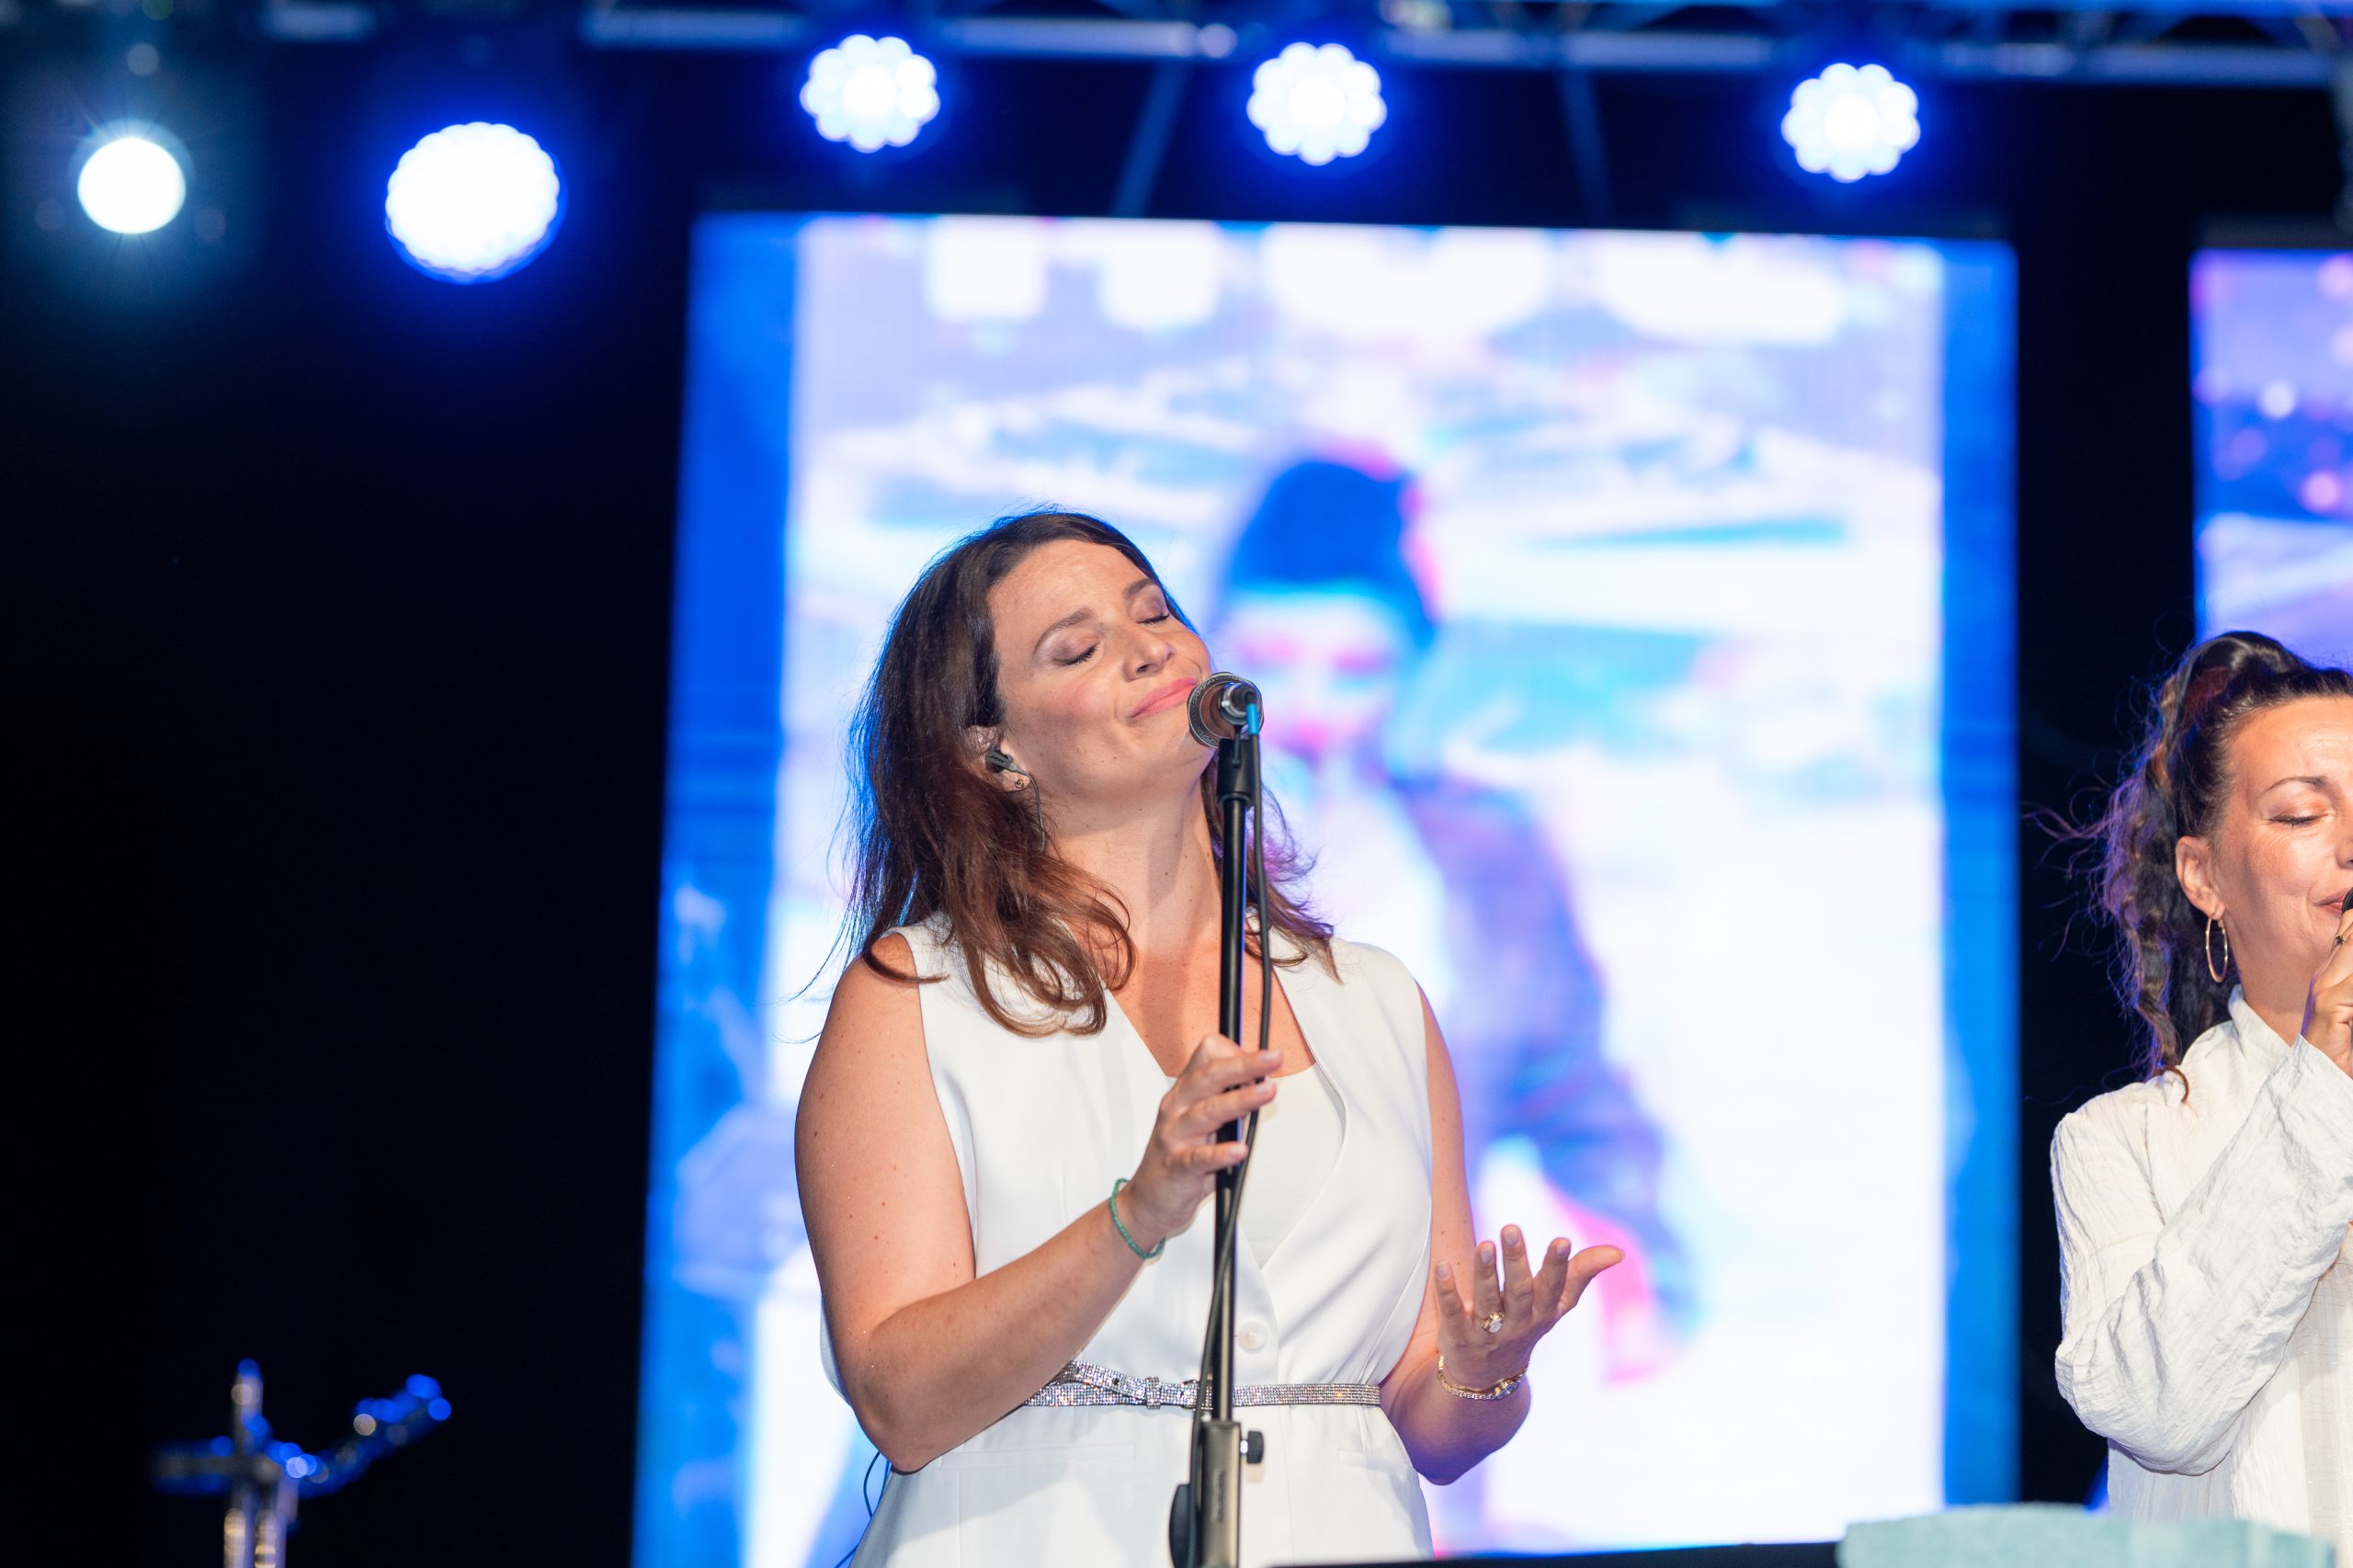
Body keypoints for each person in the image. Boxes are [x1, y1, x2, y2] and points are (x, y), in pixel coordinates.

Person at [794, 510, 1623, 1567]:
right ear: (992, 749)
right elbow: (901, 1401)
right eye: (1078, 647)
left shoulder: (1375, 1000)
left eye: (1155, 613)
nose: (1148, 648)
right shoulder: (922, 991)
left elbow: (1433, 1424)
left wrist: (1484, 1368)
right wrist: (1136, 1214)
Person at [1213, 459, 1690, 1377]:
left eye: (1356, 670)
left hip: (1417, 1370)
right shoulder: (1136, 850)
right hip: (1176, 1360)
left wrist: (1634, 1269)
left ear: (1414, 669)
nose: (1308, 708)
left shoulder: (1486, 861)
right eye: (1268, 663)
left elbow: (1575, 1099)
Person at [2052, 631, 2353, 1556]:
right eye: (2302, 814)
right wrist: (2325, 1072)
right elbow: (2156, 1410)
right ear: (2204, 875)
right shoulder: (2125, 1142)